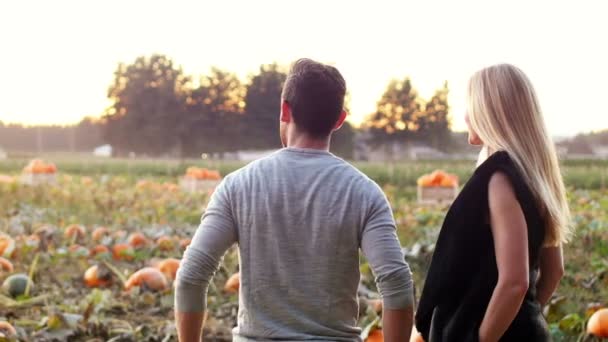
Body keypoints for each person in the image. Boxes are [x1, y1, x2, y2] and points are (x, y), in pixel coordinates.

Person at [175, 58, 414, 342]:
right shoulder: (365, 192)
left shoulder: (238, 186)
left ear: (285, 109)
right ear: (339, 120)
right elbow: (397, 286)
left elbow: (190, 277)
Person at [415, 63, 571, 342]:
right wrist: (526, 319)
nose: (465, 115)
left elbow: (515, 282)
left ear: (488, 110)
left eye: (469, 105)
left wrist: (483, 338)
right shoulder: (536, 176)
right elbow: (554, 270)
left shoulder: (499, 177)